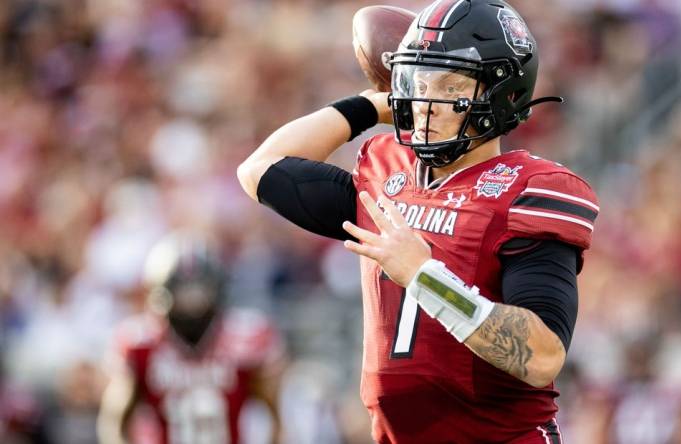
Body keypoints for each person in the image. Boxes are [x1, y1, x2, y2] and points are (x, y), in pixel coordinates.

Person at [237, 0, 598, 441]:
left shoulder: (526, 188)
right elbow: (260, 169)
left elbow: (542, 355)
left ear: (502, 95)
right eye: (419, 82)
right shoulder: (387, 174)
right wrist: (368, 108)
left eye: (449, 86)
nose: (425, 103)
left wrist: (426, 278)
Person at [97, 233, 285, 444]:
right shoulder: (139, 343)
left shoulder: (247, 339)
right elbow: (116, 422)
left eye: (199, 293)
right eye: (183, 294)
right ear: (160, 295)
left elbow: (277, 418)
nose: (192, 306)